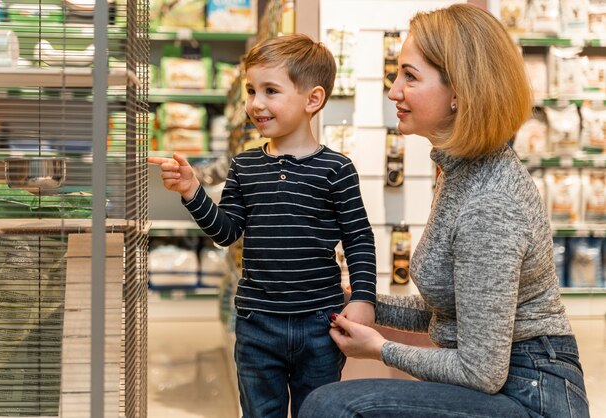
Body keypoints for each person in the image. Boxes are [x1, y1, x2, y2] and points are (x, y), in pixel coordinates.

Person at [299, 4, 590, 418]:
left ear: (459, 93)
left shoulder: (490, 202)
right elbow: (451, 309)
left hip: (531, 395)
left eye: (410, 76)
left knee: (333, 407)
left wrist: (378, 348)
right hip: (511, 382)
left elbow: (480, 370)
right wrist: (357, 299)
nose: (393, 90)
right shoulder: (461, 170)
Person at [148, 33, 377, 418]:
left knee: (318, 411)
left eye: (271, 91)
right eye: (251, 90)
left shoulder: (336, 170)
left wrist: (363, 298)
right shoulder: (244, 165)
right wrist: (192, 190)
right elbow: (226, 232)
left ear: (313, 99)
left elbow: (358, 237)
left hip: (321, 323)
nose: (255, 103)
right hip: (256, 324)